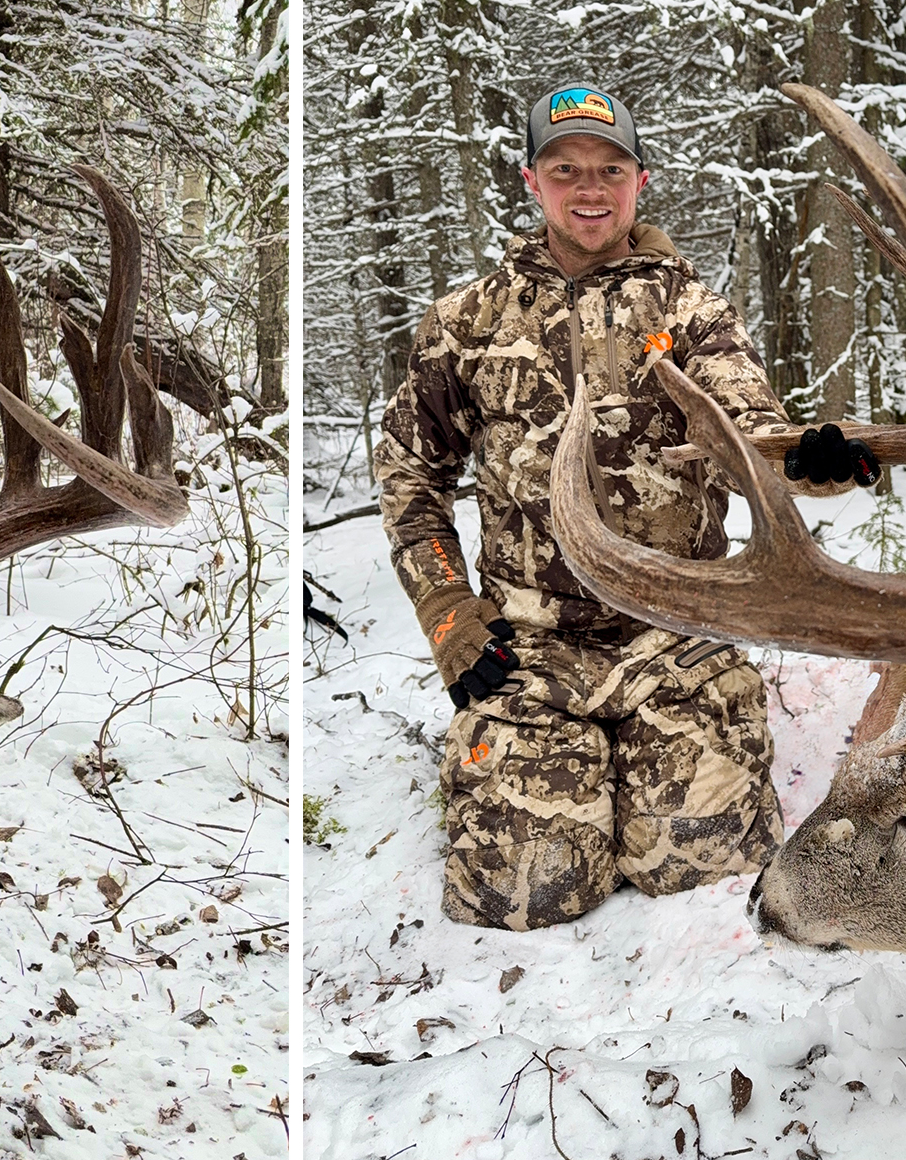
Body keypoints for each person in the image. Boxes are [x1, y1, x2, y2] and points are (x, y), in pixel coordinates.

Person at [374, 83, 880, 931]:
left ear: (640, 180)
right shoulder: (465, 321)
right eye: (565, 167)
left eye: (611, 168)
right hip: (528, 647)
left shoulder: (690, 312)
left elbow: (748, 432)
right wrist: (445, 611)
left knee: (699, 864)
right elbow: (410, 476)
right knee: (523, 894)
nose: (590, 188)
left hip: (675, 632)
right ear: (532, 181)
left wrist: (806, 461)